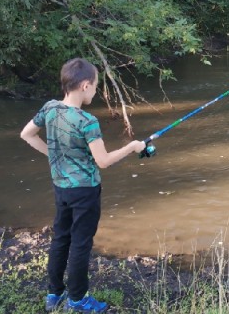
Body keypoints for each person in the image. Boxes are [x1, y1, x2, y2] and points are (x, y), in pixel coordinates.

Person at [20, 58, 145, 313]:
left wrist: (53, 155)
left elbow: (26, 134)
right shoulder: (87, 122)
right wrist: (132, 147)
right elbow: (104, 161)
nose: (97, 91)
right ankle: (77, 300)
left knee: (61, 239)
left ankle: (54, 294)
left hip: (61, 188)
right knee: (80, 244)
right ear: (85, 86)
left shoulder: (50, 108)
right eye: (96, 86)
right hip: (85, 192)